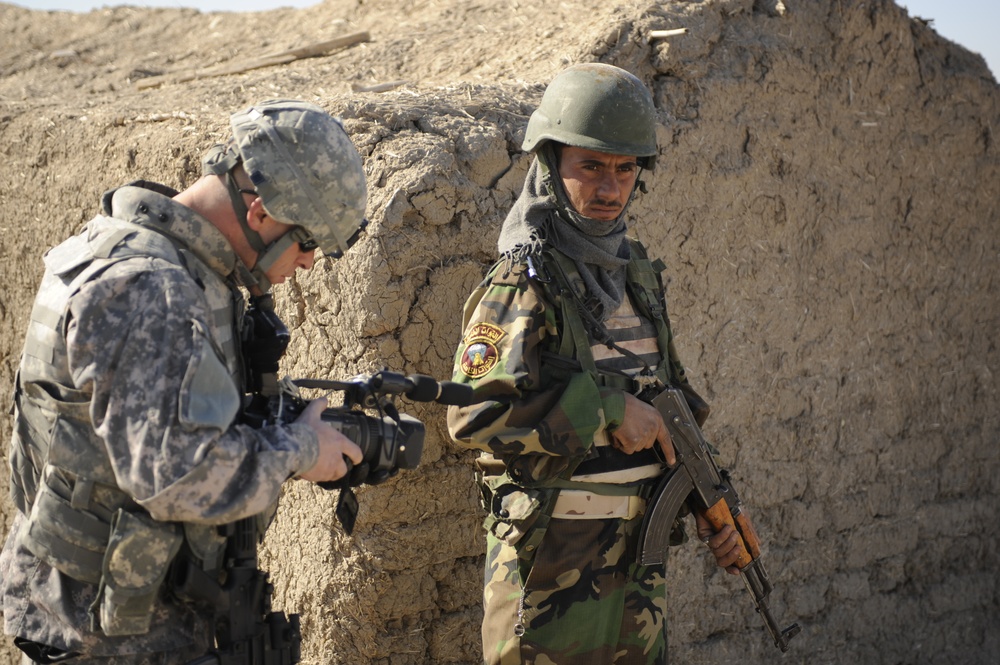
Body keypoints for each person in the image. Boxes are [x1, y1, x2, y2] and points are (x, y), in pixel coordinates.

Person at [1, 100, 368, 664]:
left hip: (108, 617)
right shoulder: (150, 289)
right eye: (308, 242)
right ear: (264, 212)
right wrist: (300, 450)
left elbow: (165, 408)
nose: (308, 264)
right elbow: (176, 475)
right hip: (105, 639)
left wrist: (285, 416)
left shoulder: (157, 259)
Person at [446, 64, 746, 664]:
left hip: (636, 564)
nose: (609, 189)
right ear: (552, 167)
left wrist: (715, 504)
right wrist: (607, 409)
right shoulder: (525, 279)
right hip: (552, 566)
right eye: (590, 167)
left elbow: (672, 401)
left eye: (624, 169)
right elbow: (473, 415)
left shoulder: (635, 272)